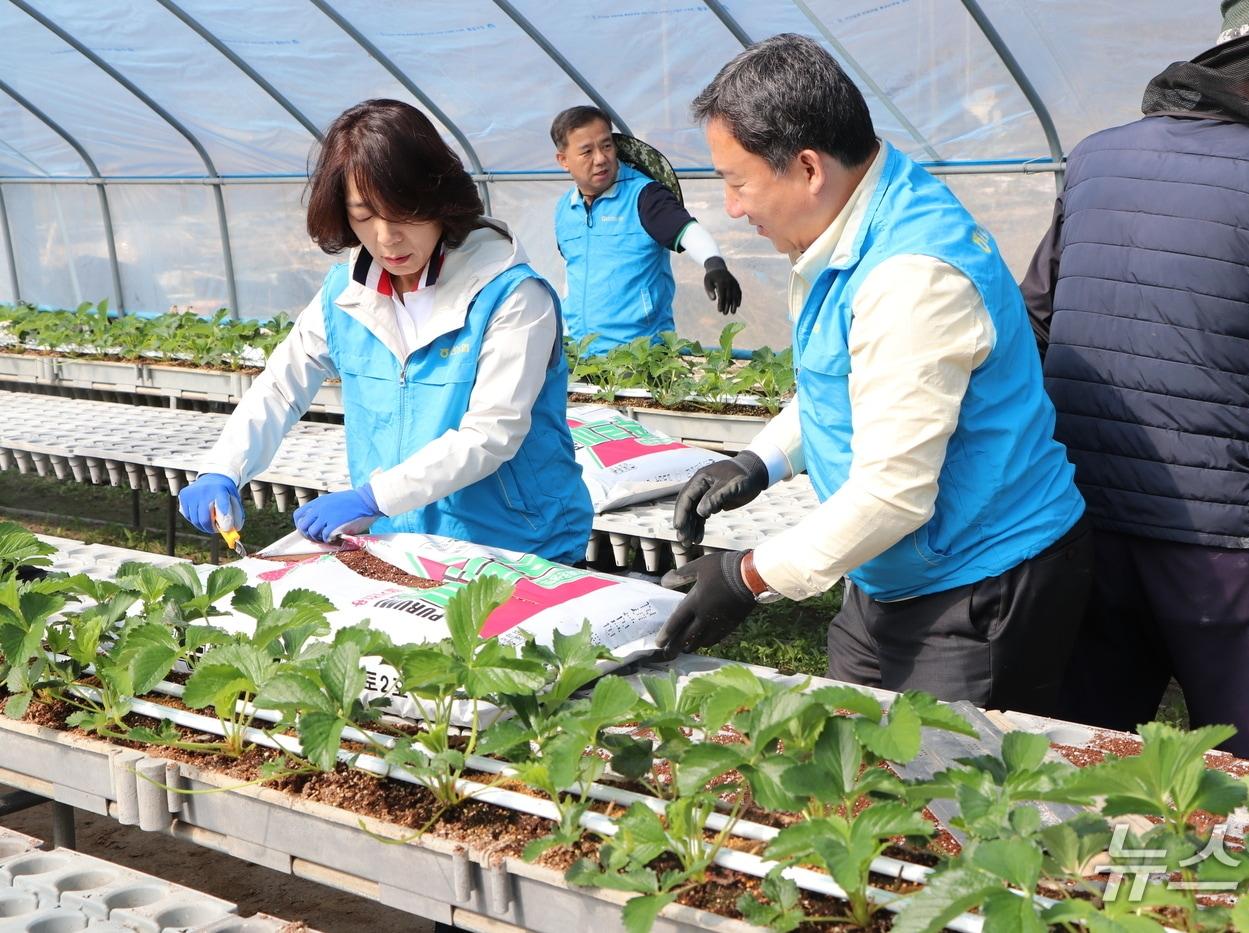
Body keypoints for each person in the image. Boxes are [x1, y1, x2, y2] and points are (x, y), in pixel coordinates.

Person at [657, 34, 1092, 716]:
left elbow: (893, 495)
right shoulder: (852, 218)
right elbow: (851, 377)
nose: (733, 208)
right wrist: (762, 458)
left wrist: (746, 576)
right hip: (890, 566)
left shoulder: (912, 277)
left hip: (979, 581)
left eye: (738, 182)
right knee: (851, 753)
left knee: (947, 794)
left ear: (806, 168)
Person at [1021, 0, 1249, 760]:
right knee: (1245, 765)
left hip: (1082, 520)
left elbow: (1032, 322)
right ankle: (1239, 876)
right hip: (1225, 547)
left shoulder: (1096, 157)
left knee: (1081, 751)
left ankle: (1090, 876)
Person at [178, 99, 592, 565]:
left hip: (517, 544)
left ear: (438, 198)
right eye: (363, 215)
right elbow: (281, 388)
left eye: (403, 212)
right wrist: (223, 469)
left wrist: (372, 498)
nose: (387, 236)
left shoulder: (511, 296)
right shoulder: (346, 293)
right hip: (403, 540)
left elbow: (490, 435)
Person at [551, 105, 743, 355]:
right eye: (587, 151)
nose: (600, 158)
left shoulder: (644, 196)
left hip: (642, 355)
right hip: (583, 353)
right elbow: (573, 272)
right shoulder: (565, 209)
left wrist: (714, 264)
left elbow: (687, 231)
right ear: (563, 160)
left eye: (606, 145)